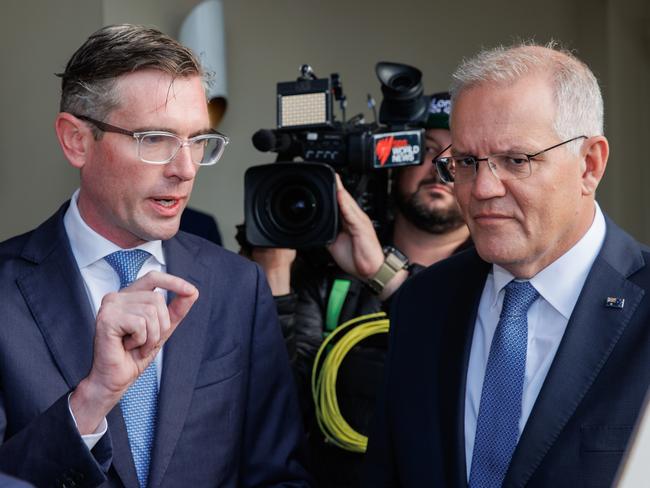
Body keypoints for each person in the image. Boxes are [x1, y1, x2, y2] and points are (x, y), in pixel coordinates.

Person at [0, 24, 310, 487]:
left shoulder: (236, 286)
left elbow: (278, 476)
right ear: (76, 141)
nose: (185, 170)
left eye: (198, 141)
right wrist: (92, 399)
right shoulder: (6, 293)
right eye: (155, 139)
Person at [362, 42, 650, 488]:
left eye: (516, 160)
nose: (482, 188)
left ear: (589, 165)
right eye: (466, 162)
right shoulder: (423, 303)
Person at [250, 93, 470, 487]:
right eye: (426, 150)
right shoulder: (329, 266)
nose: (441, 167)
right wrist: (275, 276)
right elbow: (280, 403)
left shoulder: (496, 279)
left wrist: (381, 273)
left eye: (462, 157)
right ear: (392, 161)